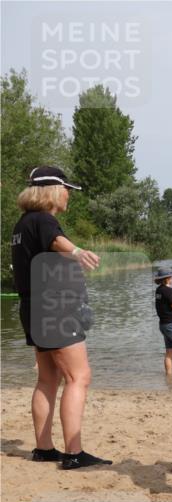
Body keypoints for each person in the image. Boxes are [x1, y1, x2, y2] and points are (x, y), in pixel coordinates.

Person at [11, 166, 110, 470]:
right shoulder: (44, 220)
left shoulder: (22, 224)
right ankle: (74, 453)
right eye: (67, 189)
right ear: (53, 191)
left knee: (47, 378)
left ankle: (44, 449)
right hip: (54, 309)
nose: (69, 195)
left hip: (33, 308)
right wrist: (78, 251)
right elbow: (56, 241)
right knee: (79, 376)